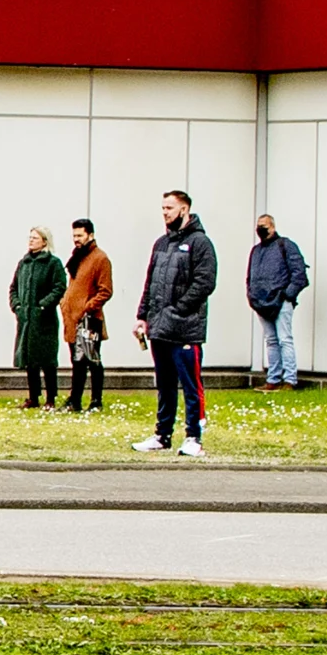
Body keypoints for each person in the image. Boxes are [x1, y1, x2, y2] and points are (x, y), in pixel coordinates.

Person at [133, 189, 217, 457]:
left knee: (191, 384)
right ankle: (162, 434)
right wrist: (143, 316)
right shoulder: (161, 244)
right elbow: (151, 282)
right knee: (164, 384)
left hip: (185, 329)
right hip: (159, 328)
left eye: (169, 208)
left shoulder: (200, 243)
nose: (165, 213)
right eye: (162, 208)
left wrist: (178, 309)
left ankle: (194, 436)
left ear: (184, 210)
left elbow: (204, 283)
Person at [244, 212, 308, 390]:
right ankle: (272, 380)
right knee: (271, 340)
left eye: (264, 225)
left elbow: (299, 273)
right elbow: (250, 276)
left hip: (281, 301)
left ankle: (289, 380)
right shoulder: (256, 251)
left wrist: (287, 295)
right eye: (258, 225)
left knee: (284, 339)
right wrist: (251, 296)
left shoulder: (285, 245)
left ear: (273, 226)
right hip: (261, 303)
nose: (261, 229)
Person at [9, 225, 67, 409]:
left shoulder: (53, 263)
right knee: (29, 359)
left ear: (44, 241)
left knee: (47, 360)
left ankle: (51, 398)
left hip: (44, 320)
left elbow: (59, 287)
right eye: (30, 237)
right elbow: (13, 288)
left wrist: (43, 305)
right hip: (26, 319)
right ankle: (33, 397)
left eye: (35, 237)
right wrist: (17, 306)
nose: (31, 240)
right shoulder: (23, 263)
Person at [59, 219, 113, 412]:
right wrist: (66, 302)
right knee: (77, 361)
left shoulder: (100, 258)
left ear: (91, 235)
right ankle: (75, 400)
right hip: (72, 318)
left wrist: (87, 307)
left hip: (89, 320)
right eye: (74, 236)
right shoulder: (78, 257)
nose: (76, 240)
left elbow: (105, 290)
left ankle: (96, 401)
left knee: (92, 360)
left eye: (80, 235)